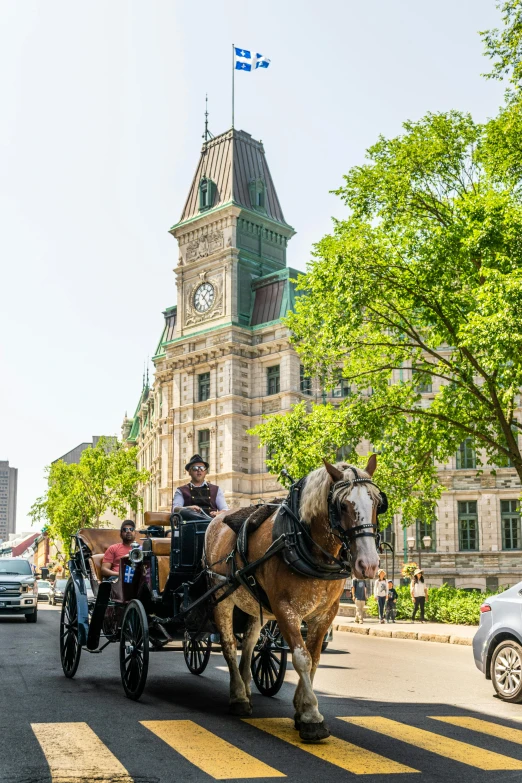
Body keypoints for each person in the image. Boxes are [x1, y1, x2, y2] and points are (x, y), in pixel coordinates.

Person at [172, 454, 228, 518]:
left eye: (202, 468)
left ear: (205, 471)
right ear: (189, 472)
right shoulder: (181, 490)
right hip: (189, 526)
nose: (199, 470)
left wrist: (218, 513)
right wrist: (187, 508)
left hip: (211, 525)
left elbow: (225, 510)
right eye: (195, 468)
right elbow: (175, 509)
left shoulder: (216, 490)